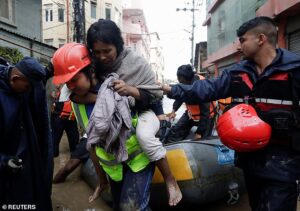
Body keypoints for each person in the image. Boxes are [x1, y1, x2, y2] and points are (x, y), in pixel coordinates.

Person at [162, 16, 300, 210]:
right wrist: (170, 89)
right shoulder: (237, 73)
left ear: (261, 39)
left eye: (243, 40)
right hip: (250, 160)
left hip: (284, 162)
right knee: (258, 205)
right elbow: (205, 89)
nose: (238, 45)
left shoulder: (294, 69)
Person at [86, 19, 182, 208]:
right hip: (114, 149)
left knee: (133, 206)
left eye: (107, 51)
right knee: (119, 203)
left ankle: (170, 179)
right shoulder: (94, 68)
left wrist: (130, 90)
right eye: (97, 52)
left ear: (118, 45)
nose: (102, 57)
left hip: (142, 123)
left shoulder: (136, 64)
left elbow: (154, 96)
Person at [0, 57, 53, 210]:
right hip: (7, 171)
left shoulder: (20, 87)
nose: (29, 92)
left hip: (27, 160)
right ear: (15, 79)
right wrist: (3, 161)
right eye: (28, 87)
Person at [165, 64, 215, 143]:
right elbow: (179, 98)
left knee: (202, 141)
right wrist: (173, 110)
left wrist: (199, 132)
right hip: (191, 115)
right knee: (175, 132)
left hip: (207, 117)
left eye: (179, 79)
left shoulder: (201, 86)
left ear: (183, 78)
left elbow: (205, 112)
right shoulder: (184, 84)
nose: (179, 81)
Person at [51, 84, 79, 157]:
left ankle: (54, 153)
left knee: (56, 135)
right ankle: (74, 152)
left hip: (63, 113)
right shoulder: (65, 87)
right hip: (65, 113)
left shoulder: (66, 86)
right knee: (72, 135)